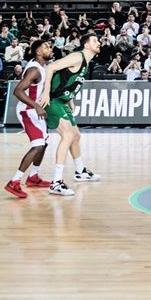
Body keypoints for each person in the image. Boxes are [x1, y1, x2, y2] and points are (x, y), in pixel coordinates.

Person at [37, 33, 103, 197]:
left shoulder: (86, 63)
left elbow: (70, 82)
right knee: (67, 136)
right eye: (95, 40)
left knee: (76, 135)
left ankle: (80, 171)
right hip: (52, 100)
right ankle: (56, 182)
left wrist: (70, 100)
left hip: (63, 101)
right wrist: (45, 93)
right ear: (86, 45)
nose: (99, 42)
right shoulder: (77, 57)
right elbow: (50, 67)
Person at [4, 40, 54, 199]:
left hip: (35, 110)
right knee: (38, 145)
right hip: (28, 110)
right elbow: (18, 91)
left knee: (44, 143)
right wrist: (36, 106)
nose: (49, 48)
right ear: (38, 52)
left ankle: (33, 177)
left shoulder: (42, 66)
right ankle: (14, 181)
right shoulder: (34, 70)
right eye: (46, 46)